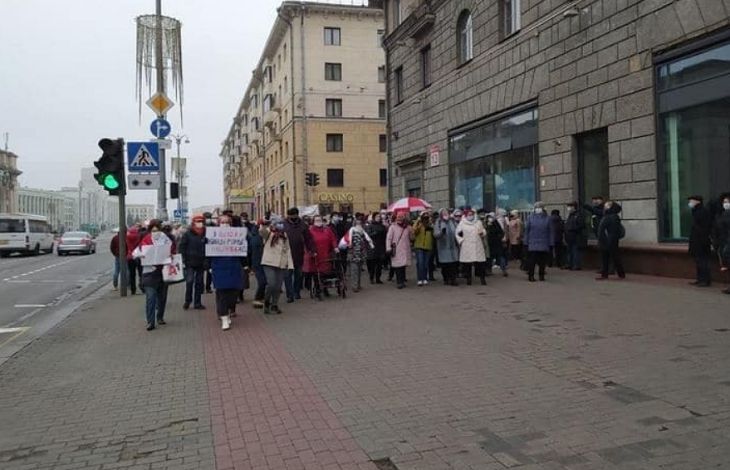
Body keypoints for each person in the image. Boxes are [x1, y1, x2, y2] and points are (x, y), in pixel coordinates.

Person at [133, 220, 175, 331]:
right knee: (150, 297)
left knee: (162, 298)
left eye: (157, 230)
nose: (155, 232)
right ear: (150, 230)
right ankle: (150, 322)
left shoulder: (165, 240)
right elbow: (136, 252)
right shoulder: (146, 239)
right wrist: (140, 256)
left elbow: (173, 250)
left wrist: (171, 255)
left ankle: (160, 317)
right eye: (153, 230)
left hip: (162, 273)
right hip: (149, 273)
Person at [210, 215, 242, 331]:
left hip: (233, 267)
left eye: (227, 222)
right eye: (222, 222)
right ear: (219, 224)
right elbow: (207, 251)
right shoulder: (212, 236)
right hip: (219, 267)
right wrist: (208, 266)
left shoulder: (237, 235)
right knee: (222, 293)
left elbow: (244, 249)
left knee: (233, 293)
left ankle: (228, 311)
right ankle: (223, 317)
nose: (225, 224)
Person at [261, 216, 294, 314]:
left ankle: (274, 304)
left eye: (281, 223)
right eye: (278, 223)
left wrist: (290, 265)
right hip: (269, 262)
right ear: (273, 224)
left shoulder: (284, 235)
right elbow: (262, 232)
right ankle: (267, 301)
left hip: (281, 263)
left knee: (278, 286)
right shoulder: (269, 233)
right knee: (271, 284)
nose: (280, 225)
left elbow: (288, 250)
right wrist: (265, 223)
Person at [283, 207, 314, 303]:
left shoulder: (302, 225)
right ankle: (289, 295)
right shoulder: (283, 225)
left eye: (294, 215)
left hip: (299, 254)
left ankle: (296, 292)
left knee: (298, 275)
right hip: (286, 254)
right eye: (291, 215)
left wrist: (311, 250)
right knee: (287, 276)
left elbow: (308, 239)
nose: (293, 217)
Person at [306, 215, 338, 299]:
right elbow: (307, 242)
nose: (318, 221)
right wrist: (311, 252)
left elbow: (333, 239)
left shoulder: (327, 229)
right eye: (316, 220)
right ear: (313, 221)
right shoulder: (310, 230)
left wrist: (335, 247)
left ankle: (325, 289)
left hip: (326, 255)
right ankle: (317, 290)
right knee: (317, 274)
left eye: (319, 220)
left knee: (326, 273)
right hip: (315, 256)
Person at [179, 214, 207, 310]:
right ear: (193, 223)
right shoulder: (187, 234)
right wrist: (183, 260)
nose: (200, 223)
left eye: (201, 221)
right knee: (189, 282)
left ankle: (197, 303)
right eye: (197, 221)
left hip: (201, 262)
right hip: (189, 262)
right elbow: (182, 247)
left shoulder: (206, 234)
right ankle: (188, 300)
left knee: (199, 283)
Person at [455, 209, 487, 285]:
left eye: (471, 214)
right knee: (467, 264)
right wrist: (461, 240)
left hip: (477, 244)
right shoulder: (462, 223)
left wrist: (482, 233)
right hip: (467, 245)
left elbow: (483, 231)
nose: (470, 216)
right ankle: (469, 279)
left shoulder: (478, 222)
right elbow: (457, 233)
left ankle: (482, 279)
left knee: (480, 263)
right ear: (466, 215)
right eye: (469, 214)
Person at [596, 201, 626, 280]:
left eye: (607, 205)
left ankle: (621, 273)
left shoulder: (613, 217)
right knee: (605, 257)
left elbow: (613, 231)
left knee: (614, 257)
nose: (605, 206)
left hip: (610, 241)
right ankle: (605, 274)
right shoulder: (606, 215)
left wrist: (608, 239)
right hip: (605, 240)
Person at [688, 195, 713, 287]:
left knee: (703, 262)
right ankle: (700, 279)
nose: (690, 203)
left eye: (691, 201)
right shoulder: (696, 211)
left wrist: (702, 239)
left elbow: (704, 228)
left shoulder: (702, 211)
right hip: (697, 241)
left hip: (702, 241)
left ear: (697, 201)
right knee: (699, 261)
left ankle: (705, 280)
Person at [524, 202, 553, 282]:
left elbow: (550, 231)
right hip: (533, 243)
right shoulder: (530, 217)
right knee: (532, 261)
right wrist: (526, 242)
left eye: (539, 207)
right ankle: (531, 276)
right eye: (536, 207)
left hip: (544, 243)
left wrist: (551, 243)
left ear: (543, 208)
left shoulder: (547, 218)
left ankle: (541, 275)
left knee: (542, 262)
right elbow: (527, 230)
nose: (537, 209)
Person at [385, 212, 413, 289]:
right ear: (396, 218)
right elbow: (388, 238)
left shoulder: (407, 227)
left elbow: (412, 238)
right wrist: (388, 248)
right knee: (398, 266)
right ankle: (399, 282)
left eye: (401, 217)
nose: (400, 218)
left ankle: (402, 280)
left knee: (403, 265)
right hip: (396, 248)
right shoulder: (392, 227)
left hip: (405, 249)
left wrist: (411, 231)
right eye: (398, 217)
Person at [433, 208, 460, 286]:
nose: (445, 214)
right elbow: (435, 234)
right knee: (445, 265)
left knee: (453, 264)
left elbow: (458, 230)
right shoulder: (438, 222)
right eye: (443, 212)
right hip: (443, 247)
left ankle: (453, 279)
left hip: (453, 247)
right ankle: (446, 278)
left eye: (446, 212)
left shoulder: (452, 221)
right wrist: (441, 233)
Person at [348, 216, 374, 292]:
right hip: (353, 252)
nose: (358, 223)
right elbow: (349, 238)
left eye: (360, 222)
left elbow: (368, 238)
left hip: (361, 252)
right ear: (355, 223)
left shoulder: (362, 230)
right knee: (354, 270)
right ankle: (354, 286)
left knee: (359, 270)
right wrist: (350, 243)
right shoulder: (352, 229)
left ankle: (358, 285)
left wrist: (371, 245)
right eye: (357, 222)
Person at [247, 220, 267, 308]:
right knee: (262, 281)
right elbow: (250, 252)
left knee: (265, 282)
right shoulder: (254, 237)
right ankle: (257, 299)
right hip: (257, 262)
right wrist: (249, 266)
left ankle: (261, 298)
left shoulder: (267, 235)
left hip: (266, 262)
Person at [713, 194, 730, 294]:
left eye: (727, 202)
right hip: (723, 242)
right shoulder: (722, 214)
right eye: (724, 202)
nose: (726, 204)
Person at [412, 211, 434, 286]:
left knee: (425, 264)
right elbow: (414, 231)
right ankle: (419, 279)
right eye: (424, 216)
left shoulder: (430, 224)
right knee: (420, 263)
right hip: (419, 246)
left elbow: (433, 233)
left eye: (427, 216)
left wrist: (431, 223)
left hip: (428, 246)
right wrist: (418, 222)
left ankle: (424, 278)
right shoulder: (418, 223)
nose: (425, 217)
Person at [365, 212, 387, 284]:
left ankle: (378, 278)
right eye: (377, 216)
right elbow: (368, 236)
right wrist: (375, 233)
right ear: (374, 217)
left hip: (381, 247)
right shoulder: (370, 226)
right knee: (372, 265)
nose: (379, 217)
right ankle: (371, 277)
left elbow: (385, 237)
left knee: (379, 265)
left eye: (379, 216)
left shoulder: (382, 226)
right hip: (373, 247)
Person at [564, 201, 585, 270]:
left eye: (570, 206)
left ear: (574, 207)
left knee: (575, 251)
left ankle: (576, 265)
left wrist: (572, 229)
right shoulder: (570, 215)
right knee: (569, 251)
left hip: (576, 236)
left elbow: (581, 225)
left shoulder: (578, 215)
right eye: (568, 206)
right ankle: (569, 264)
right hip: (569, 236)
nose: (568, 208)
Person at [486, 213, 507, 277]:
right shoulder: (487, 224)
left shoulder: (496, 224)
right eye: (489, 217)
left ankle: (504, 270)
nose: (490, 218)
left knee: (500, 257)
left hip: (497, 244)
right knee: (490, 258)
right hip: (490, 244)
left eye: (491, 217)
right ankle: (489, 270)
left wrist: (499, 237)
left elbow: (501, 233)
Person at [125, 225, 141, 295]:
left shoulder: (127, 237)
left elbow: (126, 247)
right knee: (141, 272)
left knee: (132, 274)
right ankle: (142, 286)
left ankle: (133, 289)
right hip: (138, 256)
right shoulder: (138, 236)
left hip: (130, 257)